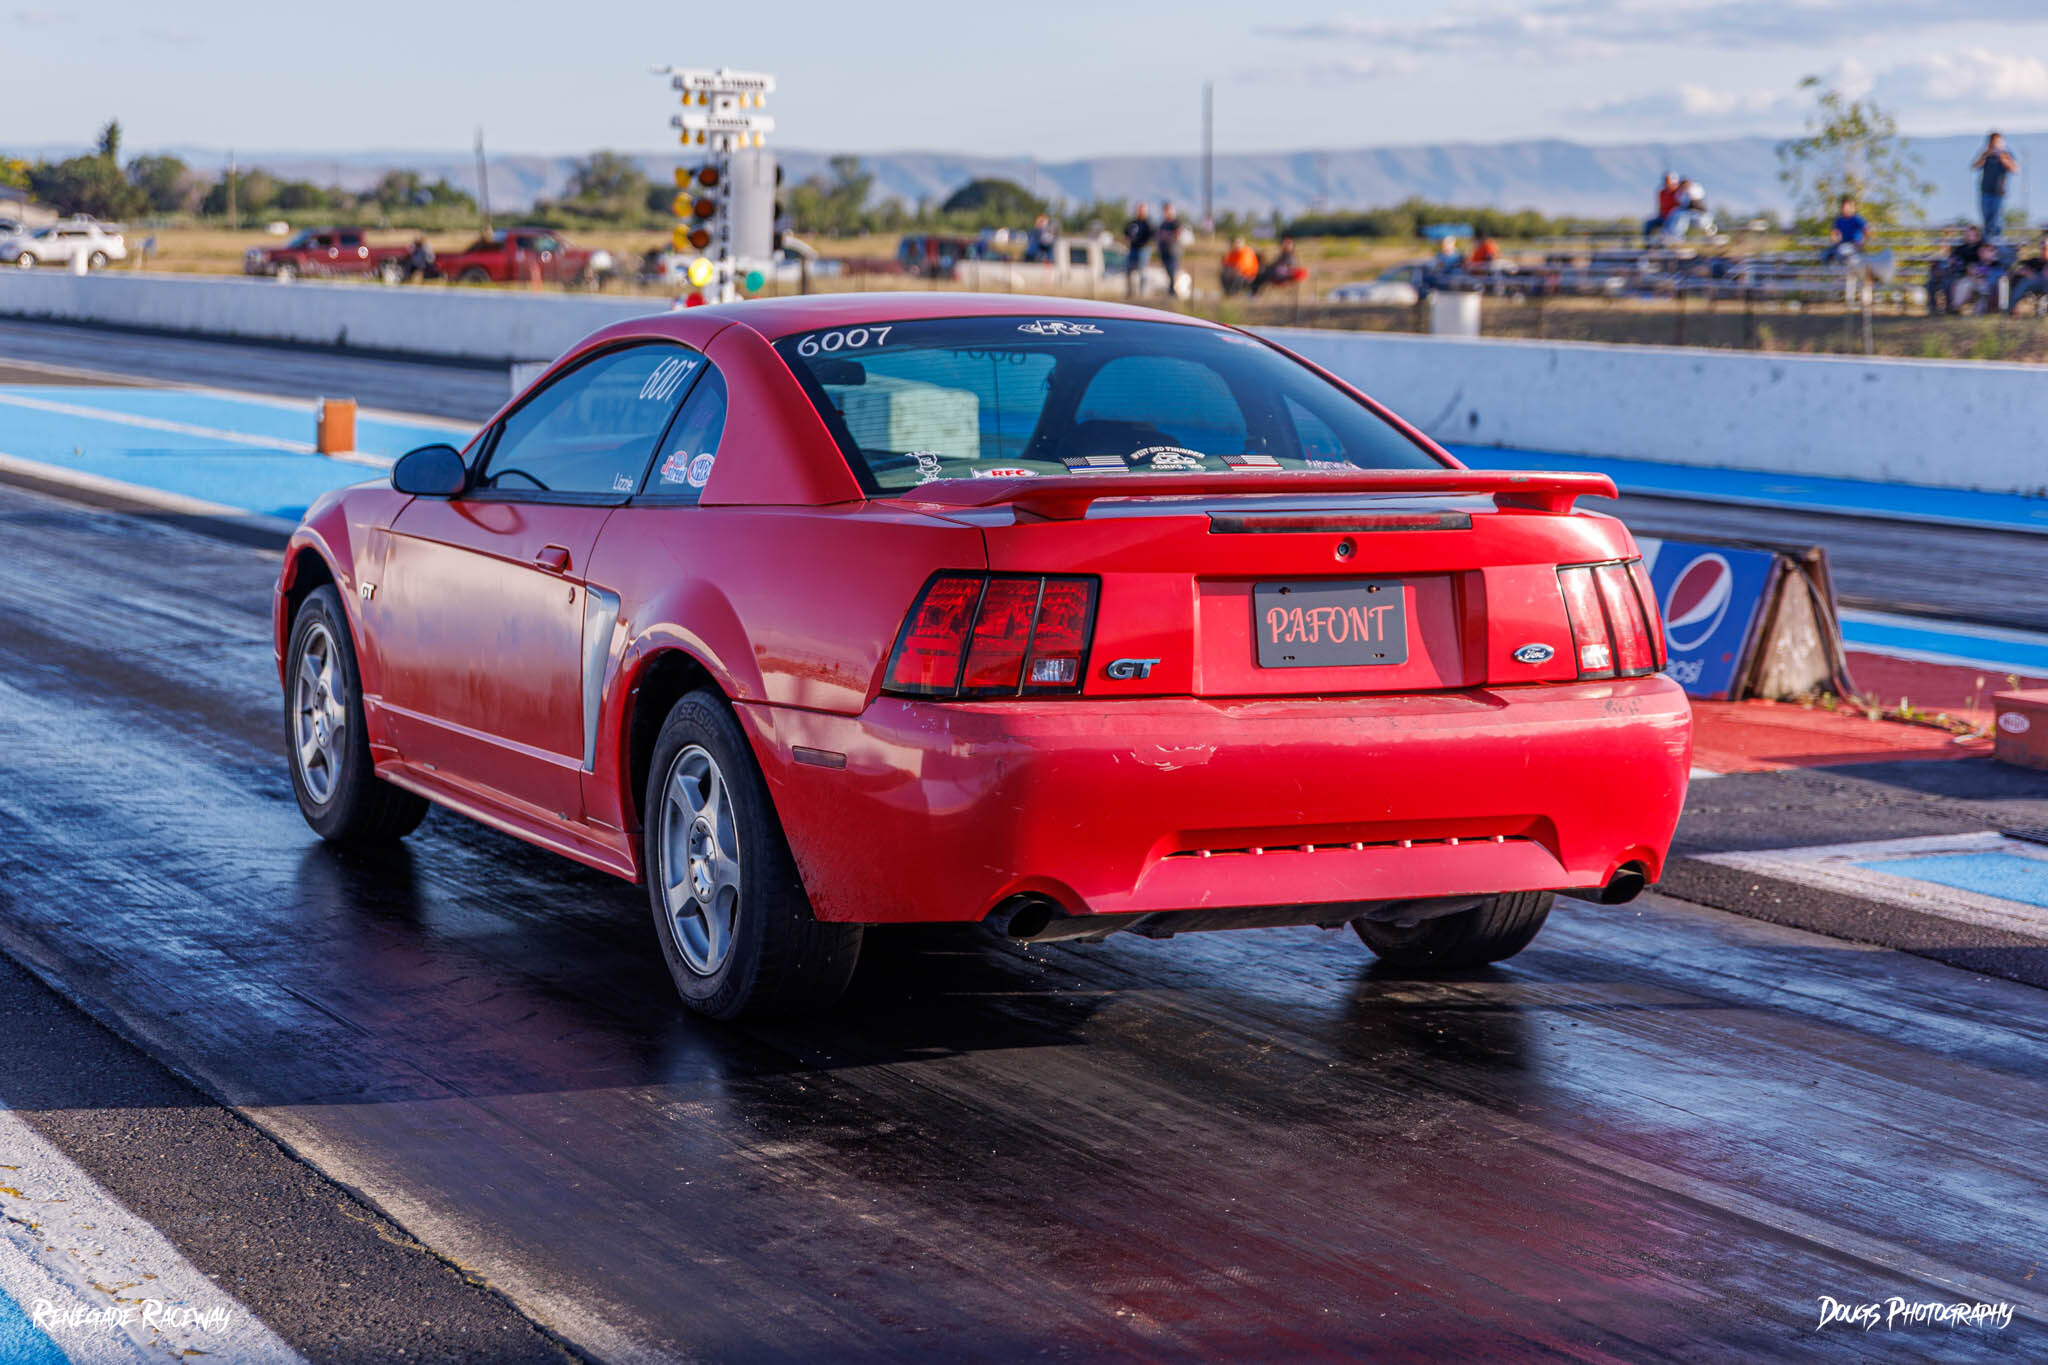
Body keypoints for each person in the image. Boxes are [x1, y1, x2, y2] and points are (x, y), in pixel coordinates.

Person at [1927, 224, 1983, 314]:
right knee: (1931, 282)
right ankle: (1933, 309)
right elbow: (1950, 260)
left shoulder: (1980, 249)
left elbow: (1977, 266)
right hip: (1952, 272)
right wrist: (1941, 266)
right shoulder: (1960, 248)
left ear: (1977, 236)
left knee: (1948, 282)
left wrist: (1969, 268)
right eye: (1966, 234)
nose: (1967, 237)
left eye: (1970, 235)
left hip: (1965, 275)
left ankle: (1951, 309)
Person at [1973, 132, 2018, 240]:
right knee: (1986, 219)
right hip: (1985, 192)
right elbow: (1975, 166)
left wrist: (2004, 159)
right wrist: (1985, 154)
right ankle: (1986, 242)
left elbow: (2015, 169)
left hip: (1999, 192)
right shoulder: (1986, 154)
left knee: (1996, 219)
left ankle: (1996, 242)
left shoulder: (2006, 154)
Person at [2008, 231, 2048, 313]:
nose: (2044, 249)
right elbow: (2016, 267)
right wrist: (2024, 271)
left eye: (2046, 247)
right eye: (2043, 246)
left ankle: (2043, 308)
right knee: (2024, 282)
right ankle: (2011, 309)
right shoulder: (2033, 261)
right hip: (2034, 282)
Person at [1122, 202, 1154, 296]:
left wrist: (1143, 242)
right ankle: (1130, 292)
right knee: (1128, 269)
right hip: (1133, 249)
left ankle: (1142, 293)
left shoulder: (1148, 223)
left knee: (1142, 270)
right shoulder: (1134, 222)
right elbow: (1126, 231)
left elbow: (1151, 236)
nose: (1139, 211)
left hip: (1143, 249)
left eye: (1141, 209)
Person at [1825, 196, 1868, 264]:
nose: (1844, 209)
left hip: (1854, 247)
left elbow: (1866, 230)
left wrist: (1862, 242)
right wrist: (1834, 240)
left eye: (1846, 206)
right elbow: (1834, 233)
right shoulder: (1838, 220)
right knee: (1826, 255)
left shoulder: (1856, 219)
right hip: (1842, 246)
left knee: (1844, 253)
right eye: (1843, 207)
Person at [1155, 201, 1184, 299]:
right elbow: (1158, 235)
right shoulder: (1163, 223)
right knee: (1168, 271)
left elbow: (1178, 234)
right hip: (1164, 251)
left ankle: (1172, 292)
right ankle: (1171, 291)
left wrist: (1166, 236)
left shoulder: (1175, 222)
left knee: (1172, 271)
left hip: (1173, 251)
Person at [1644, 172, 1681, 240]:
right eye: (1665, 180)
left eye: (1668, 180)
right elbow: (1660, 207)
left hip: (1673, 219)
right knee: (1648, 224)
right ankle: (1648, 245)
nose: (1666, 182)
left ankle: (1663, 245)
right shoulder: (1662, 193)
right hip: (1663, 217)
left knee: (1666, 229)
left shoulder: (1678, 192)